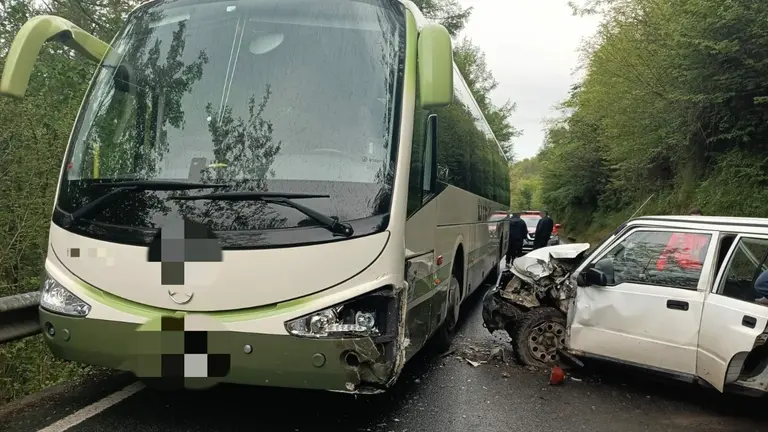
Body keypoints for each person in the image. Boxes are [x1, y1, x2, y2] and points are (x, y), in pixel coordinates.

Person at [655, 207, 708, 271]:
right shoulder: (679, 235)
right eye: (693, 221)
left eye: (698, 221)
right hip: (680, 270)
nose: (696, 223)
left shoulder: (707, 238)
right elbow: (666, 253)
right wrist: (659, 269)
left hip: (699, 271)